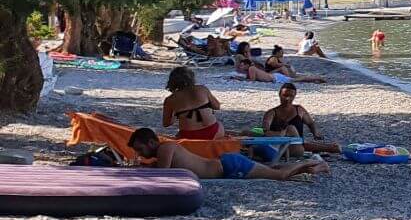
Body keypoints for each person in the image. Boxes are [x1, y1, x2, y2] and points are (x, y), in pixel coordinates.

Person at [128, 128, 329, 181]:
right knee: (273, 170)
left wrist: (136, 170)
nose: (140, 153)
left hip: (231, 167)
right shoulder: (164, 151)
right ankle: (318, 167)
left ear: (152, 142)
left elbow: (162, 175)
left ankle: (311, 160)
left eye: (140, 148)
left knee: (280, 176)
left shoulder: (165, 148)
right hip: (227, 165)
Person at [263, 82, 340, 155]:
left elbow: (310, 123)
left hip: (299, 143)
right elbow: (265, 131)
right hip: (281, 145)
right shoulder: (271, 113)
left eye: (291, 96)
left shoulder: (299, 110)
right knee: (291, 129)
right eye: (285, 95)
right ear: (279, 94)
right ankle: (329, 148)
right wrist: (283, 133)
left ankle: (329, 147)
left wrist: (315, 132)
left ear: (294, 96)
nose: (287, 99)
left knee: (299, 140)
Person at [161, 66, 225, 140]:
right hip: (213, 132)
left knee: (179, 133)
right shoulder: (202, 89)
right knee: (219, 124)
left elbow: (166, 123)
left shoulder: (170, 100)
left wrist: (178, 113)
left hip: (188, 136)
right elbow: (217, 106)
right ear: (192, 78)